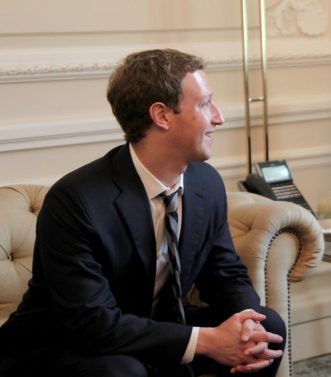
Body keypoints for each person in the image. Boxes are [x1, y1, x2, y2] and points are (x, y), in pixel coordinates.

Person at [0, 49, 286, 377]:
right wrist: (206, 341)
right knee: (123, 370)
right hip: (61, 345)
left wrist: (247, 326)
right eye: (205, 104)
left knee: (269, 330)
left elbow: (224, 272)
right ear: (161, 115)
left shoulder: (205, 183)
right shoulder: (77, 201)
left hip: (155, 329)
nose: (219, 117)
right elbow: (91, 322)